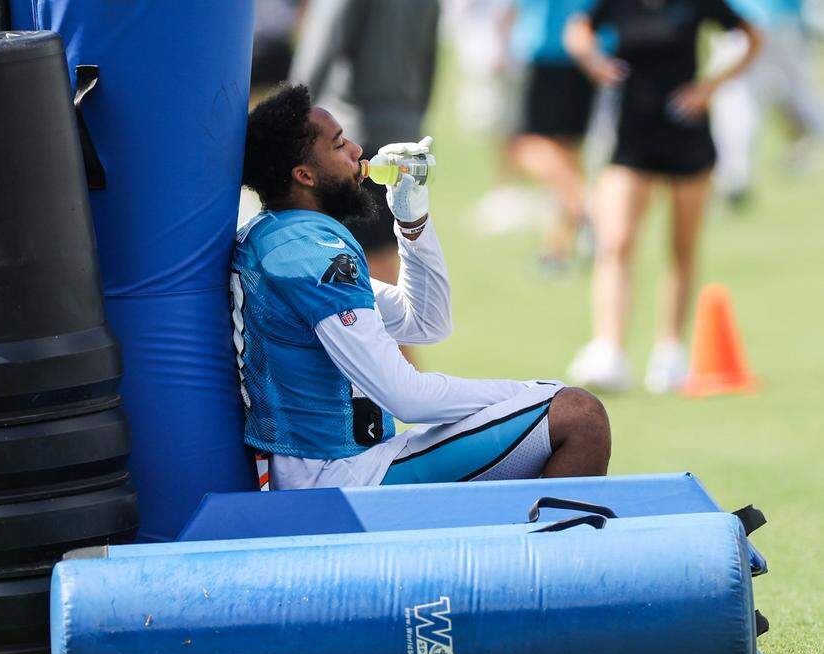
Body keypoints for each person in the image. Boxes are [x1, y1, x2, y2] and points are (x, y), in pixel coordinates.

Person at [233, 85, 611, 491]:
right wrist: (535, 392)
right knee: (579, 415)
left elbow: (426, 323)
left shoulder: (283, 240)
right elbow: (405, 397)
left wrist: (412, 223)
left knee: (560, 413)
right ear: (304, 175)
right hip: (337, 478)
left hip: (337, 467)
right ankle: (550, 551)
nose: (358, 150)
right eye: (339, 144)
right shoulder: (310, 252)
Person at [564, 0, 763, 393]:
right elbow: (578, 28)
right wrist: (592, 60)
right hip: (632, 135)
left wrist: (709, 87)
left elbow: (752, 37)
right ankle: (609, 348)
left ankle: (669, 352)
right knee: (616, 240)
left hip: (686, 132)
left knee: (682, 246)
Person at [289, 0, 441, 296]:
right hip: (403, 135)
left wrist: (289, 120)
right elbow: (429, 59)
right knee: (383, 263)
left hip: (352, 139)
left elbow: (323, 43)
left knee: (357, 274)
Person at [506, 0, 601, 273]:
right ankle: (557, 249)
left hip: (550, 48)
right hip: (589, 49)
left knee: (524, 146)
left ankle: (589, 206)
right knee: (566, 154)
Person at [711, 0, 824, 207]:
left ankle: (735, 176)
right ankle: (735, 176)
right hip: (777, 24)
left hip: (746, 24)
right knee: (800, 94)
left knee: (738, 100)